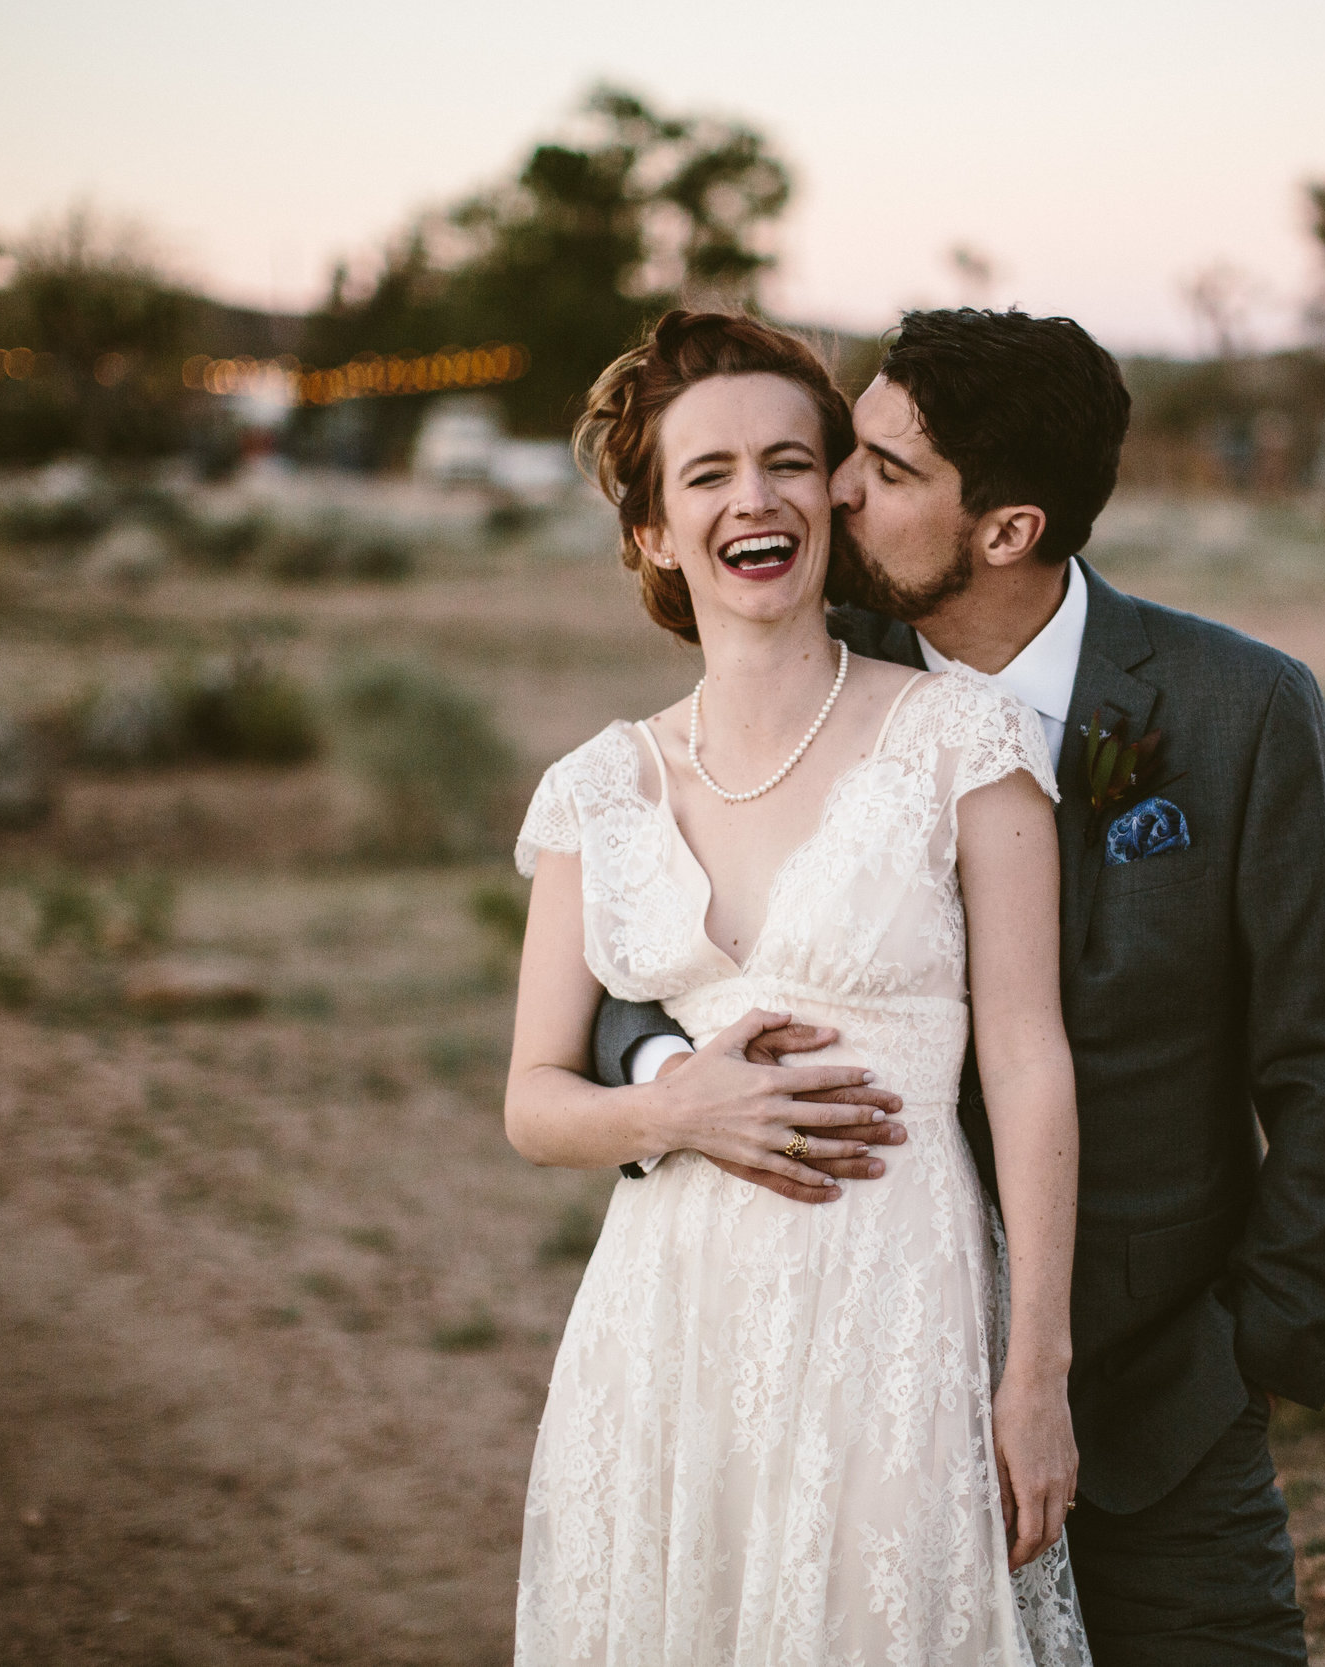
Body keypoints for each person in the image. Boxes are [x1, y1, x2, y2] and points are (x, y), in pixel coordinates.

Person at [596, 309, 1325, 1665]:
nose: (836, 487)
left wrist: (1254, 1348)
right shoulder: (808, 669)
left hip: (1158, 1397)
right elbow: (649, 957)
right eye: (851, 447)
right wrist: (670, 1082)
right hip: (844, 1396)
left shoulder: (1237, 709)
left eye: (889, 472)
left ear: (1009, 530)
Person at [501, 309, 1091, 1665]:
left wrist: (1036, 1370)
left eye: (785, 461)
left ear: (832, 492)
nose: (752, 499)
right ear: (653, 530)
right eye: (706, 475)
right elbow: (535, 1099)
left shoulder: (962, 741)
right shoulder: (599, 788)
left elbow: (1028, 1055)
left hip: (903, 1324)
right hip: (668, 1335)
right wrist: (674, 1113)